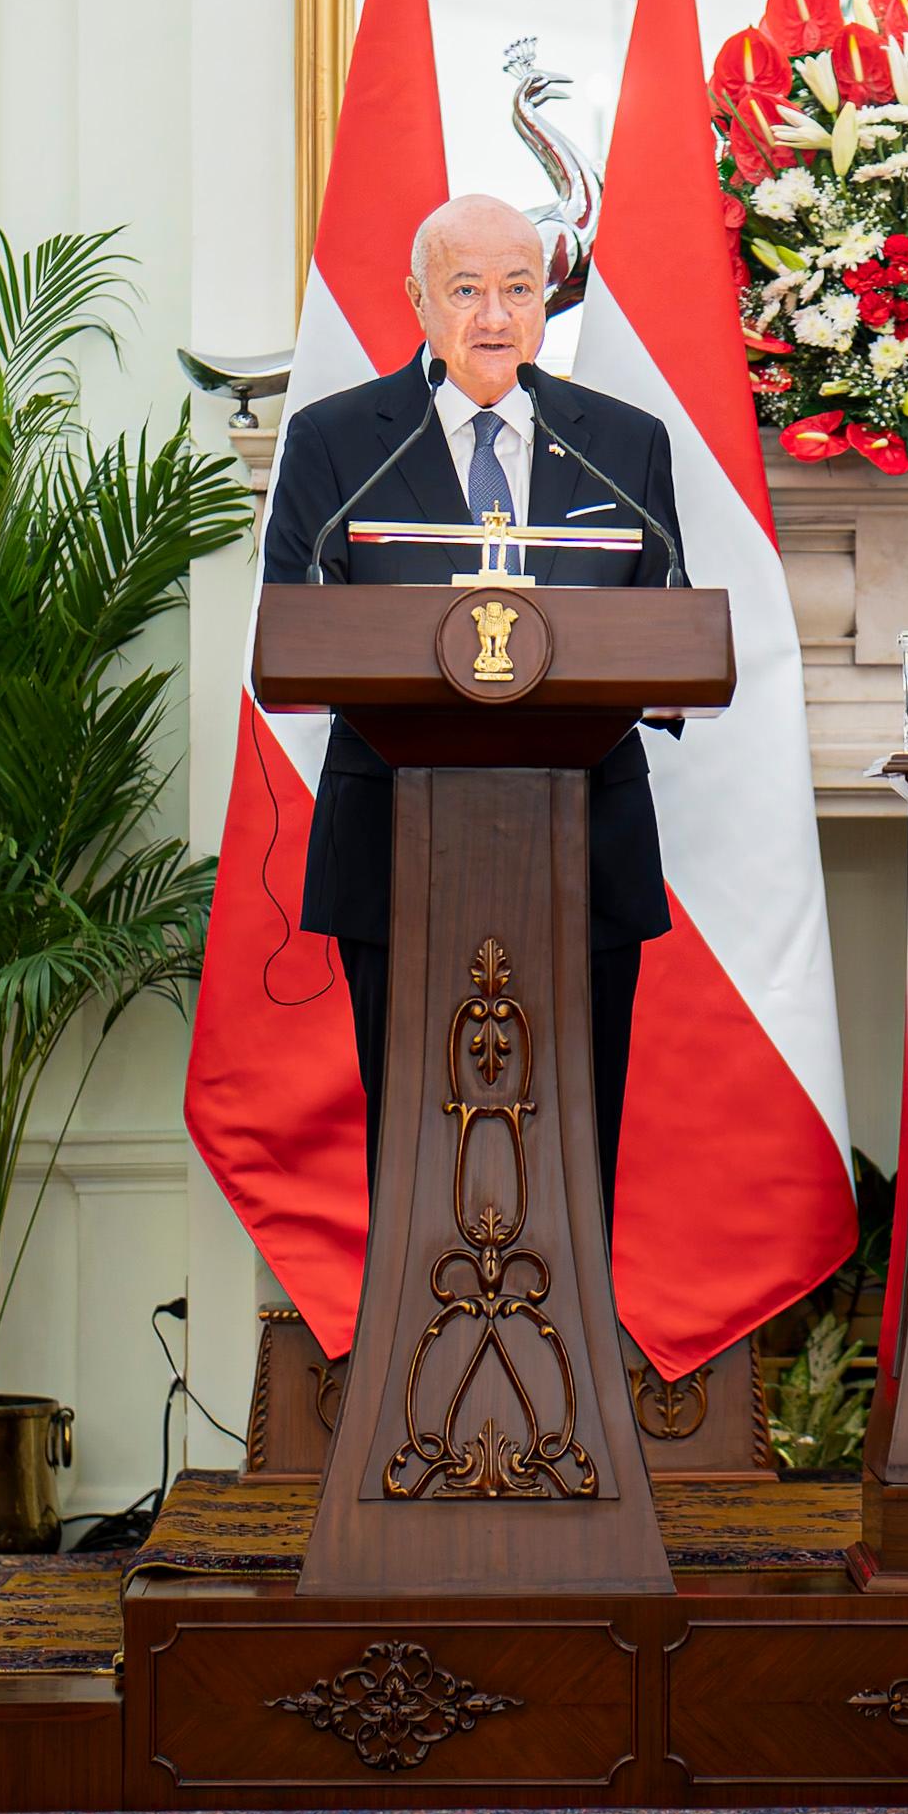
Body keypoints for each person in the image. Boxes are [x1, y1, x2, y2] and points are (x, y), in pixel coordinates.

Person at [259, 193, 688, 1210]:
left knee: (577, 1159)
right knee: (416, 1164)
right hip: (396, 847)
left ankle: (568, 1363)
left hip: (587, 846)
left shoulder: (622, 445)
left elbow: (665, 615)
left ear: (548, 302)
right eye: (465, 291)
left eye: (517, 290)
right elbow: (290, 621)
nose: (493, 317)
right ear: (416, 300)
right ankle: (417, 1362)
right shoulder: (338, 442)